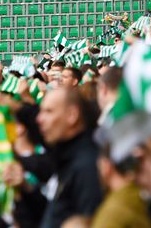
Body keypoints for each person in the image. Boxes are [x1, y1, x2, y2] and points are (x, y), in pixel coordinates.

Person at [37, 87, 103, 227]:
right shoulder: (66, 159)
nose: (39, 119)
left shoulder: (88, 167)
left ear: (72, 115)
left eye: (49, 111)